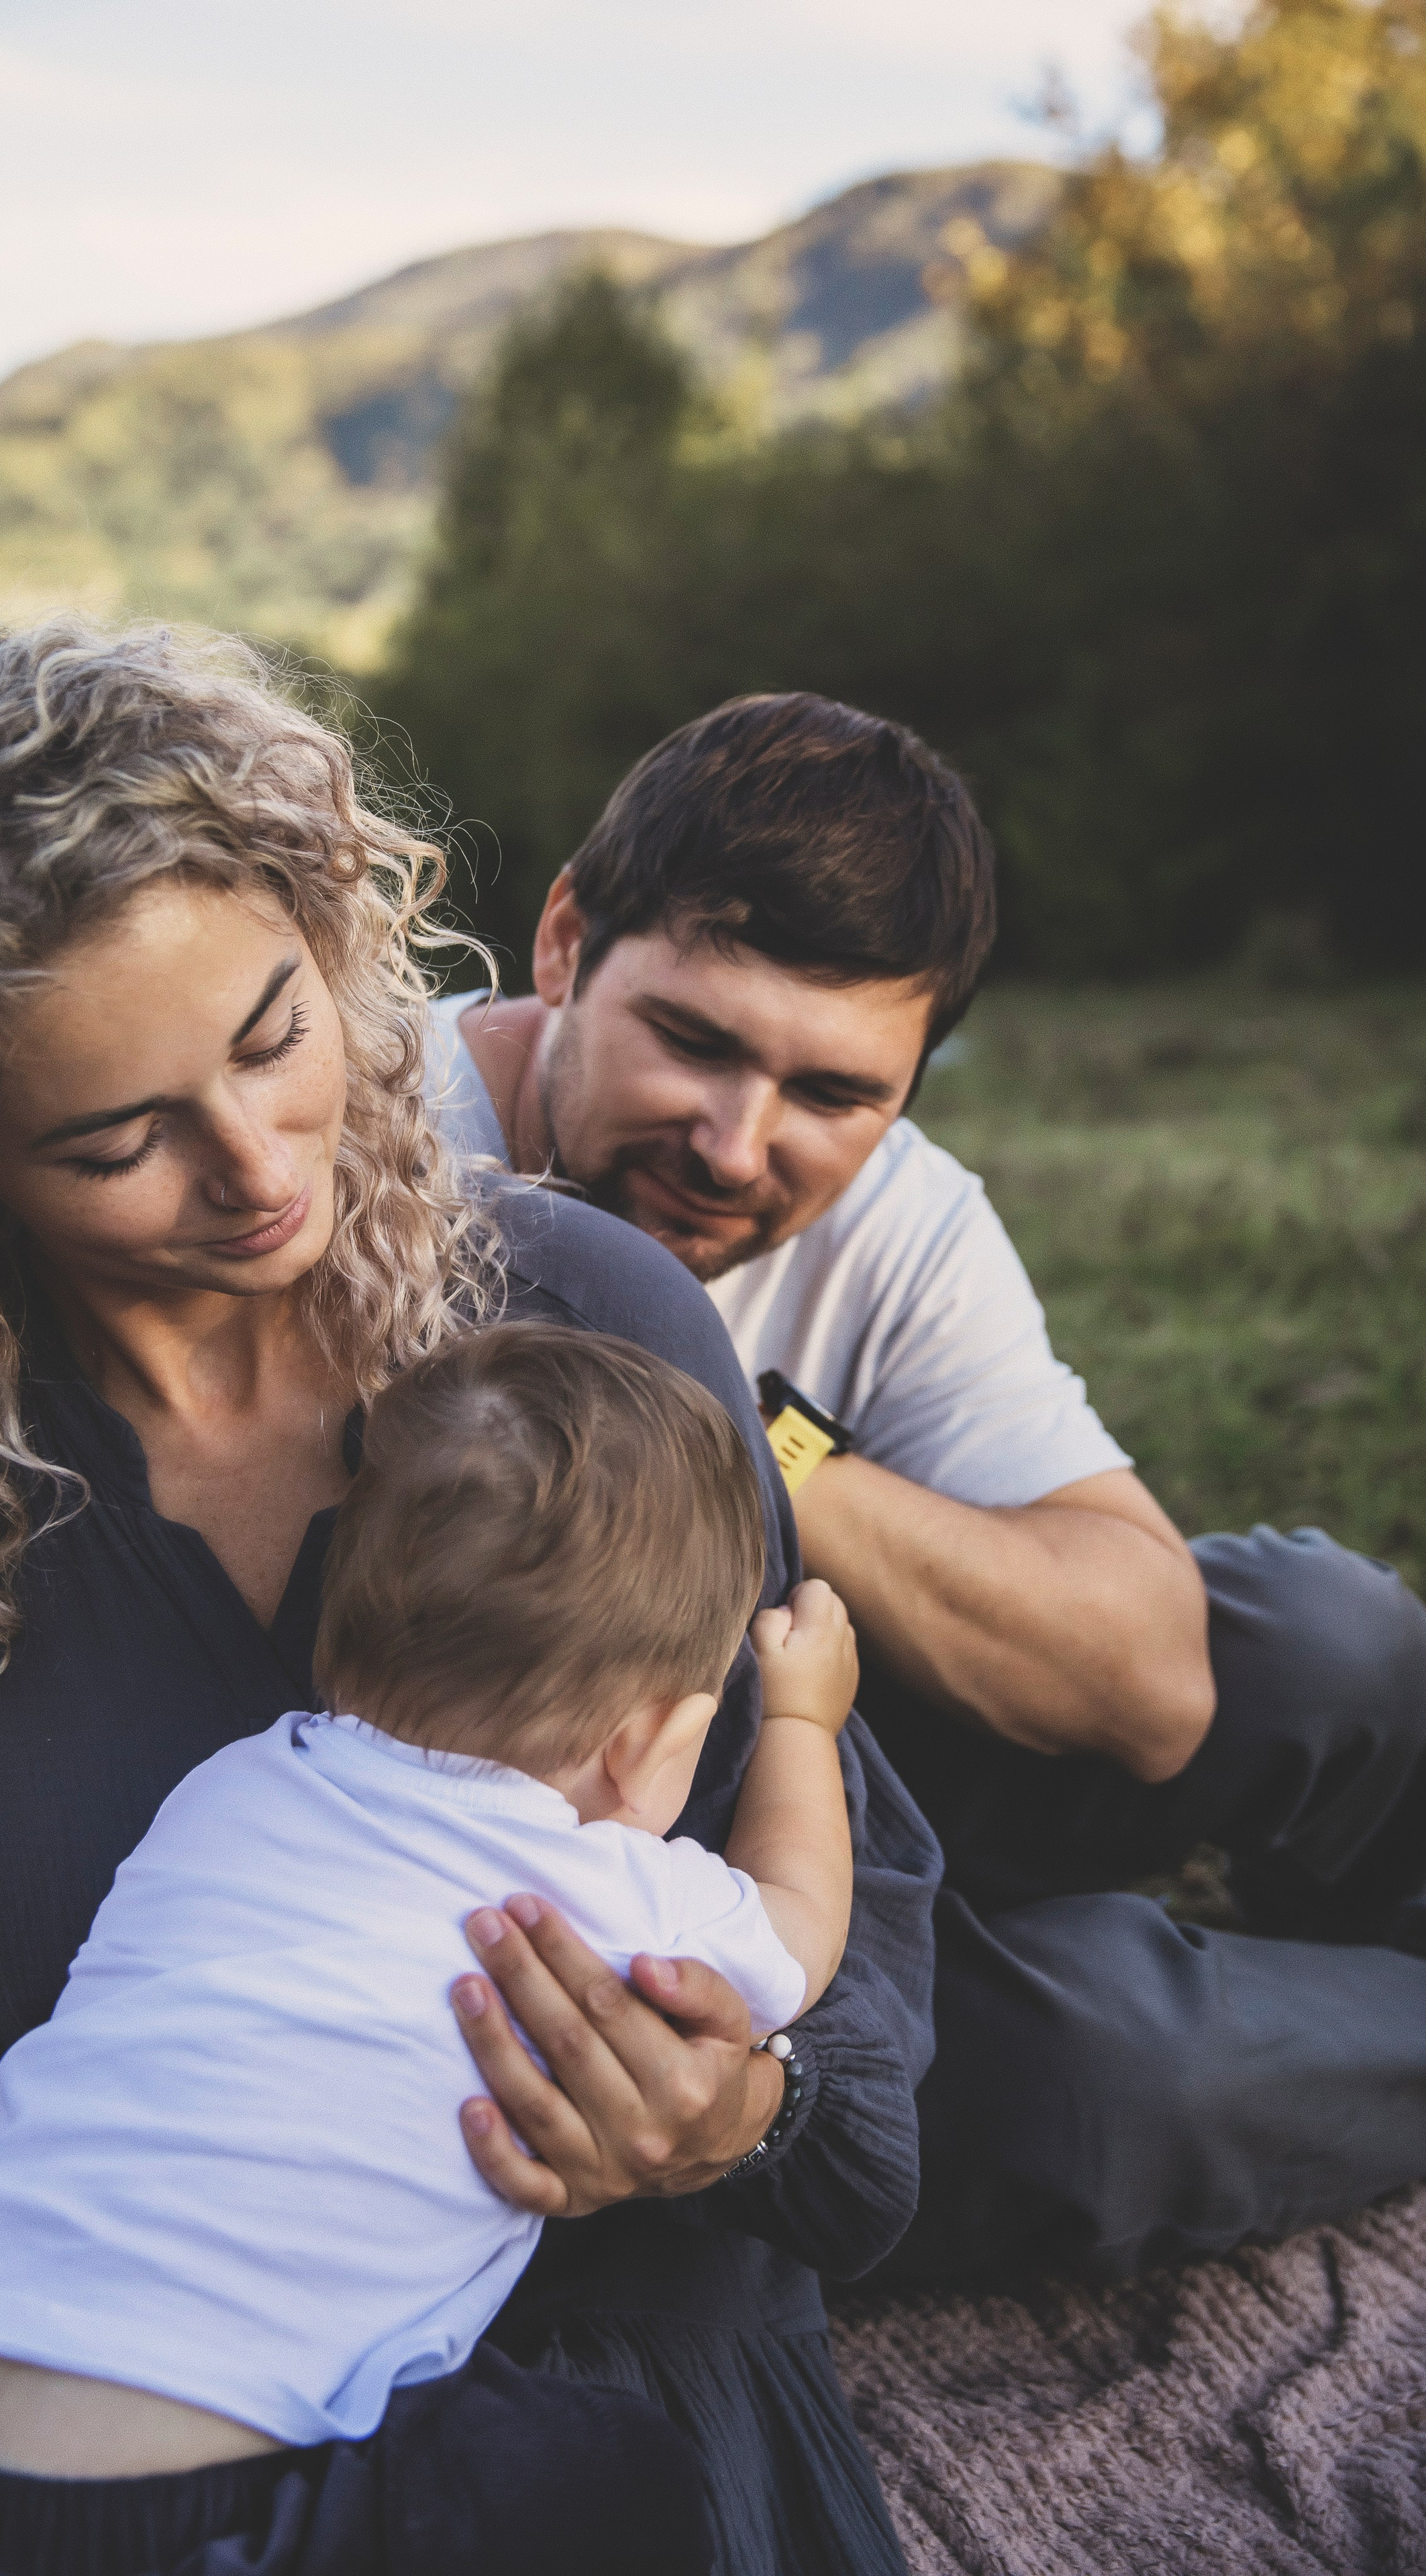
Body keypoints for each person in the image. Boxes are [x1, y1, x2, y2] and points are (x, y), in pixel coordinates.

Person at [0, 627, 928, 2576]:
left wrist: (742, 2114)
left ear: (334, 939)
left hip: (605, 2372)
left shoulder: (587, 1328)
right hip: (95, 2438)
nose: (260, 1167)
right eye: (118, 1140)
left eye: (275, 1037)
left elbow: (848, 1986)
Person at [430, 689, 1426, 2286]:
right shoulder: (369, 1167)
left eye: (833, 1095)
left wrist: (750, 1432)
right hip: (595, 1907)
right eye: (692, 1041)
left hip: (834, 1742)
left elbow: (1151, 1685)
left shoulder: (894, 1215)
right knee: (1116, 2068)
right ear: (562, 946)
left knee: (1321, 1637)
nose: (736, 1146)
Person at [0, 1326, 858, 2576]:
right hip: (185, 2503)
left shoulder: (233, 1785)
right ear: (649, 1747)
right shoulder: (610, 1892)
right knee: (614, 2474)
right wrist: (803, 1719)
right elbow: (801, 1923)